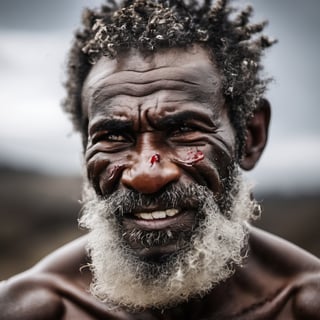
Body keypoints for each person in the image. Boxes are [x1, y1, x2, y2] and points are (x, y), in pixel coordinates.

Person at [1, 0, 320, 318]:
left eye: (182, 129)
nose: (145, 175)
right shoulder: (31, 309)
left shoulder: (305, 304)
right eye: (113, 136)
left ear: (251, 136)